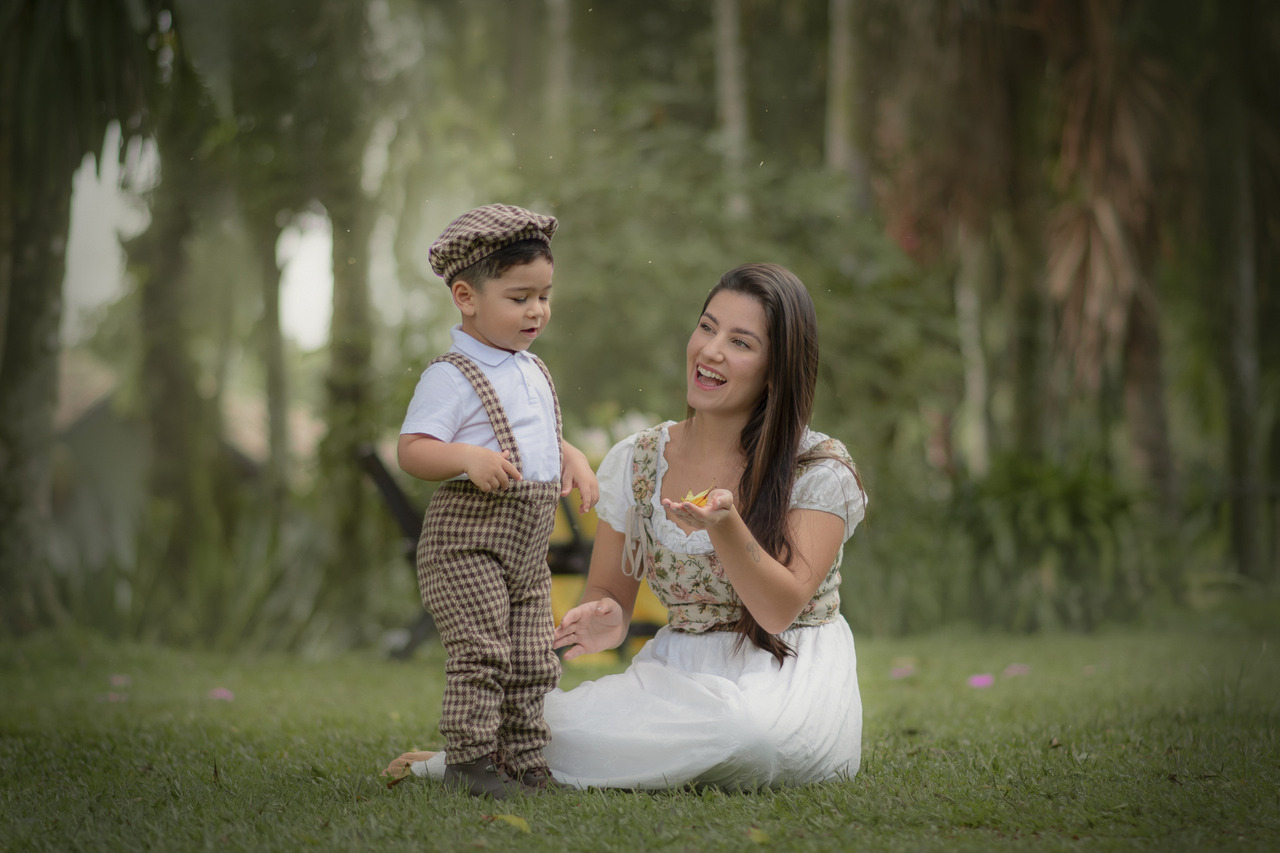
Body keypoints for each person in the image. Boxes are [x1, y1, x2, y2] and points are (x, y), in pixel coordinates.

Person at [385, 262, 866, 791]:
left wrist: (725, 527)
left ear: (776, 368)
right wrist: (605, 618)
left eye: (741, 342)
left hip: (790, 677)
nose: (710, 351)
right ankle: (471, 758)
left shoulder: (817, 467)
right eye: (707, 327)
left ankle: (642, 752)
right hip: (678, 674)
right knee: (543, 725)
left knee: (750, 737)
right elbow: (610, 597)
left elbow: (778, 610)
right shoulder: (638, 460)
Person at [396, 203, 599, 799]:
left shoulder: (530, 368)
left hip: (525, 550)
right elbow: (412, 449)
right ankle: (471, 760)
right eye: (519, 297)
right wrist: (464, 458)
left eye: (544, 295)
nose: (536, 310)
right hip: (467, 544)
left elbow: (537, 436)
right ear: (466, 296)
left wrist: (574, 457)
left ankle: (526, 761)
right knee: (483, 650)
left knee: (534, 655)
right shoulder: (452, 375)